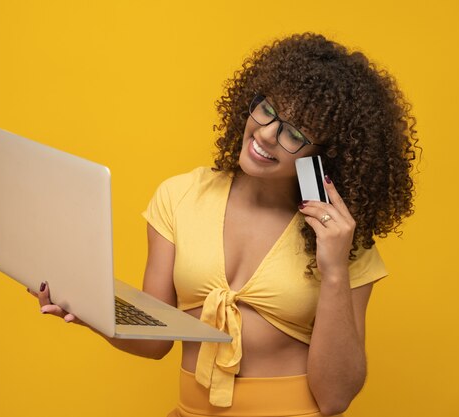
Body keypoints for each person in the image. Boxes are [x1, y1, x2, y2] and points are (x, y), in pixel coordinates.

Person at [29, 32, 418, 417]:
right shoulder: (180, 196)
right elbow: (154, 342)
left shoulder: (342, 237)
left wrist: (334, 270)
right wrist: (85, 306)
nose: (266, 134)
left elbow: (335, 399)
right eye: (267, 110)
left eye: (294, 133)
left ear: (327, 155)